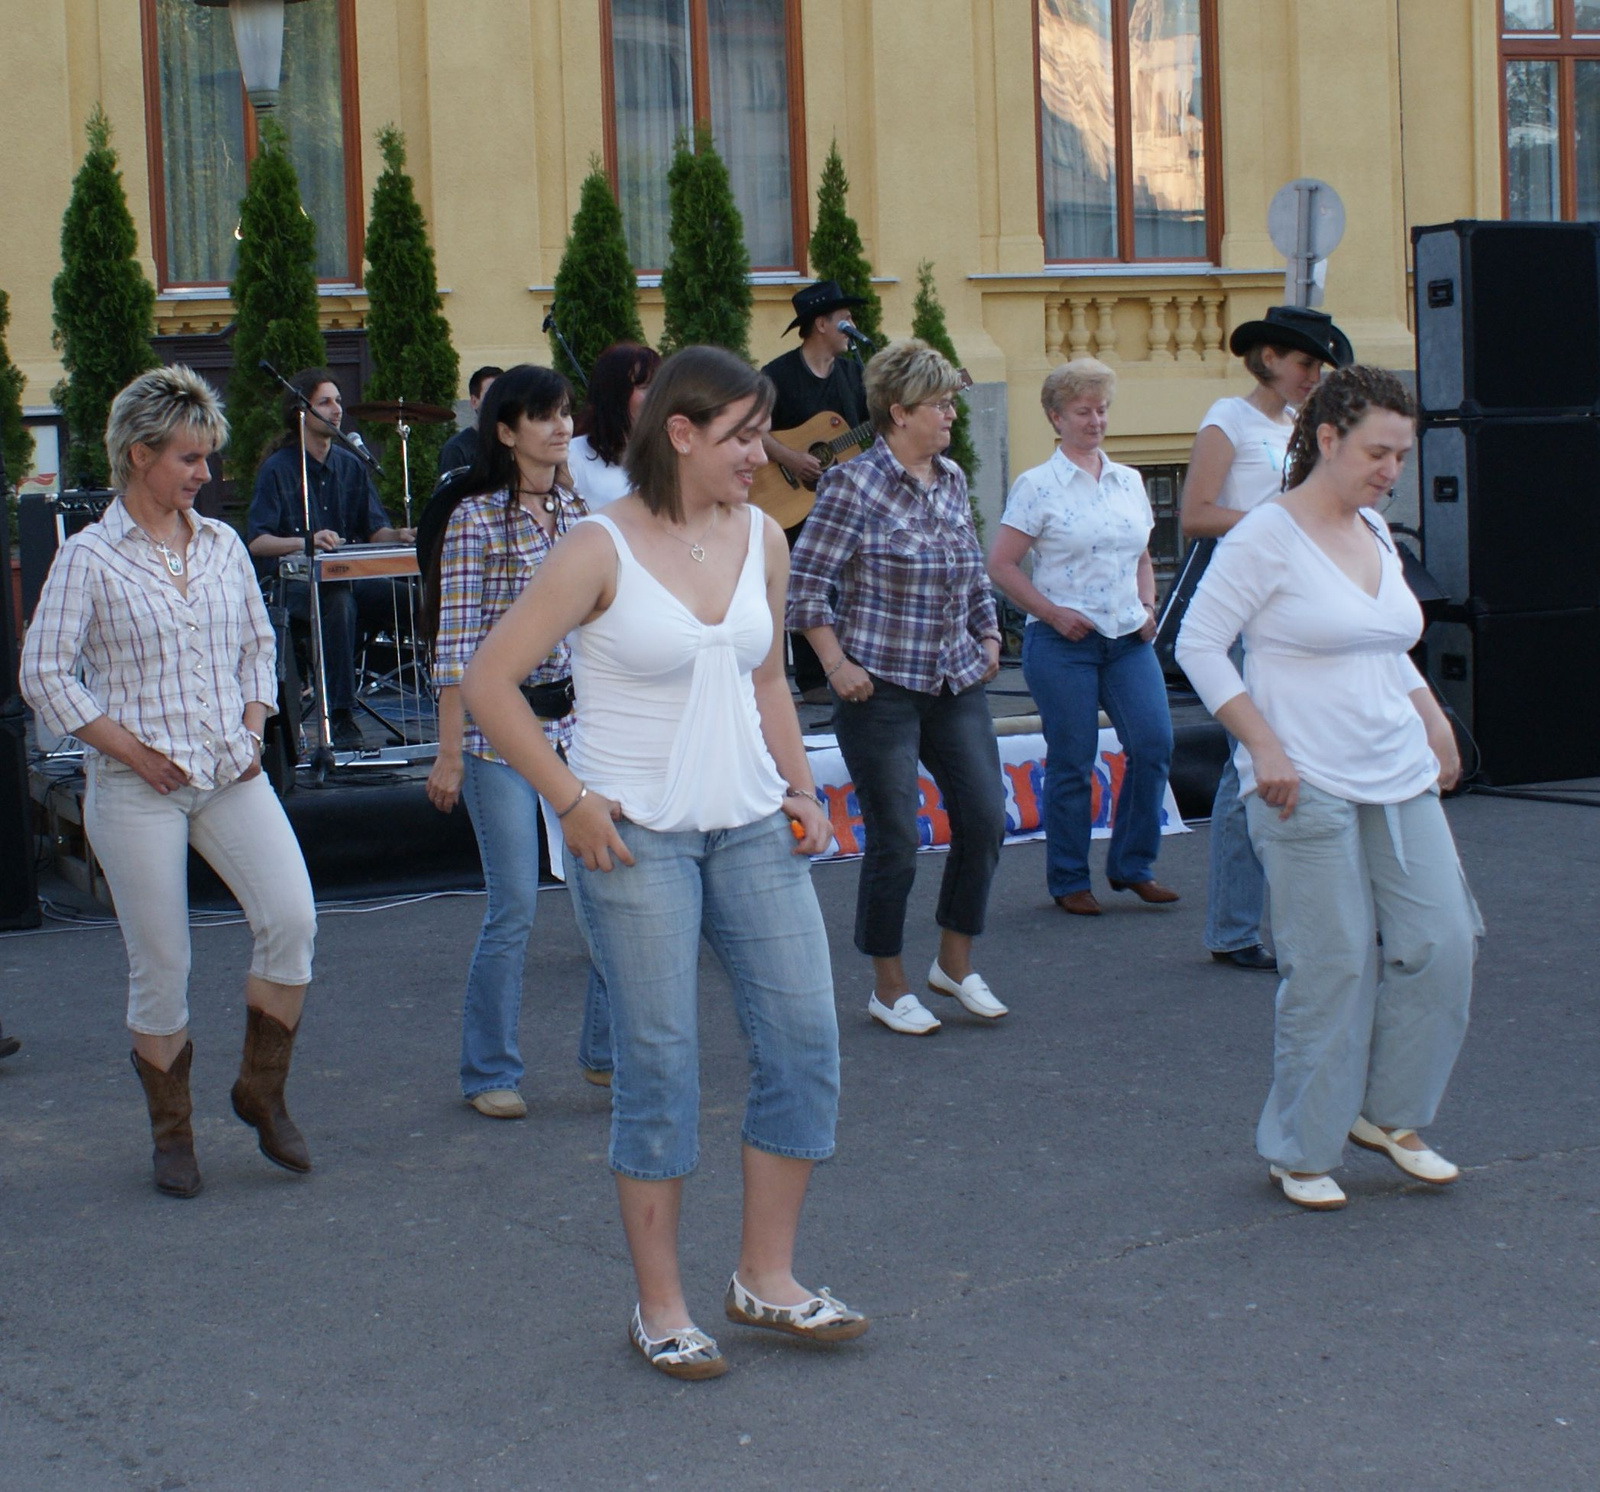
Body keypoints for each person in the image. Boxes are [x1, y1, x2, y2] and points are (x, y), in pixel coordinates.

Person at [460, 345, 865, 1380]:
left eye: (760, 431)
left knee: (807, 1044)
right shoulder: (597, 547)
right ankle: (661, 1305)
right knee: (661, 1068)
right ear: (677, 433)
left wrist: (802, 788)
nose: (759, 453)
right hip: (634, 839)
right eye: (740, 435)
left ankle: (764, 1280)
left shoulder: (765, 537)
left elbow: (768, 676)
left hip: (751, 829)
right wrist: (572, 801)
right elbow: (490, 682)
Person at [1176, 366, 1480, 1212]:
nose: (1391, 469)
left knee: (1443, 942)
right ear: (1328, 439)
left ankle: (1390, 1117)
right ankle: (1302, 1146)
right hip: (1297, 779)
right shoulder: (1265, 536)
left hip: (1396, 766)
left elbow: (1384, 642)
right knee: (1333, 963)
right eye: (1378, 452)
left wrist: (1433, 715)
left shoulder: (1376, 531)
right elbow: (1200, 646)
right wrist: (1262, 745)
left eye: (1401, 455)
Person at [20, 366, 318, 1198]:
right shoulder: (88, 557)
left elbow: (259, 643)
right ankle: (173, 1134)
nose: (204, 475)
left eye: (207, 459)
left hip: (229, 772)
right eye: (188, 458)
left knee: (292, 920)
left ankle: (261, 1092)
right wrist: (130, 748)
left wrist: (256, 722)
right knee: (162, 964)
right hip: (133, 786)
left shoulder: (222, 544)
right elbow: (44, 674)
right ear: (139, 455)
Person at [789, 338, 1007, 1036]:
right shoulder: (851, 485)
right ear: (898, 411)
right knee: (895, 838)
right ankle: (888, 985)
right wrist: (835, 664)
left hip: (954, 678)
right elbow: (804, 587)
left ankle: (955, 962)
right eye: (940, 404)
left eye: (950, 402)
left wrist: (991, 636)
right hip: (876, 688)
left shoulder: (950, 478)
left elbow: (971, 568)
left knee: (983, 816)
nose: (950, 414)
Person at [423, 365, 611, 1118]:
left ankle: (605, 1055)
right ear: (506, 431)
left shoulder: (579, 511)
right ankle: (488, 1072)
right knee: (515, 908)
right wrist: (447, 751)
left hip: (576, 726)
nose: (561, 426)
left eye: (565, 412)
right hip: (496, 733)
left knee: (608, 898)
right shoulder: (474, 518)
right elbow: (455, 647)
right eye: (543, 415)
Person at [1180, 306, 1352, 972]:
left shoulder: (1300, 426)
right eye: (1306, 364)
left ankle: (1313, 914)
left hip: (1298, 609)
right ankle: (1231, 926)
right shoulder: (1229, 419)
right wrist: (1279, 520)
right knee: (1248, 766)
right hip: (1244, 609)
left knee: (1310, 756)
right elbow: (1194, 516)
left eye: (1318, 368)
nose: (1313, 377)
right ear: (1271, 358)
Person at [988, 358, 1177, 918]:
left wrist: (1149, 605)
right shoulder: (1037, 485)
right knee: (1073, 758)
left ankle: (1132, 864)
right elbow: (1001, 564)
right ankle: (1069, 877)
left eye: (1101, 410)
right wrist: (1050, 612)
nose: (1095, 421)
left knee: (1154, 744)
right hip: (1062, 643)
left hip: (1127, 638)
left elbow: (1142, 555)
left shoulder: (1128, 480)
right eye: (1082, 411)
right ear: (1055, 417)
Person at [246, 368, 416, 748]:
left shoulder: (350, 464)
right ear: (301, 411)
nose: (337, 409)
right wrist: (305, 541)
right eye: (325, 401)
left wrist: (399, 536)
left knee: (415, 600)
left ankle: (452, 704)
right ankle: (339, 715)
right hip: (291, 587)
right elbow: (257, 542)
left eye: (338, 401)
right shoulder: (278, 469)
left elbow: (374, 532)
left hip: (348, 578)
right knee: (337, 603)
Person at [762, 280, 871, 702]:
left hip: (841, 496)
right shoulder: (776, 375)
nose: (853, 325)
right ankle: (812, 681)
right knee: (804, 578)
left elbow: (864, 428)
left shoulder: (852, 373)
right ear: (821, 323)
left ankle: (851, 661)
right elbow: (752, 430)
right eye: (846, 318)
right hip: (789, 495)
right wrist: (791, 459)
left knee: (848, 577)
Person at [566, 343, 660, 510]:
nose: (657, 397)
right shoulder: (572, 457)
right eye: (645, 388)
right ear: (615, 394)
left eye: (660, 388)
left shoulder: (670, 454)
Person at [438, 365, 503, 476]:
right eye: (491, 394)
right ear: (474, 402)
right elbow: (451, 492)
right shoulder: (457, 449)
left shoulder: (517, 443)